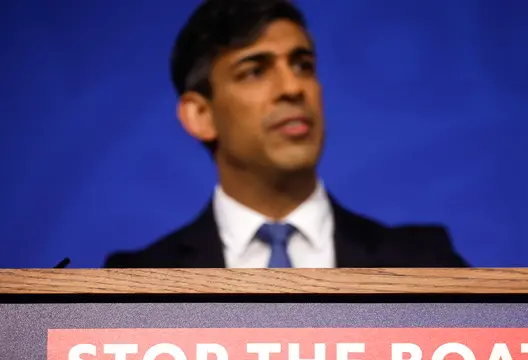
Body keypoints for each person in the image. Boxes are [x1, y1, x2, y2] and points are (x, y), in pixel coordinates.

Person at [103, 0, 469, 268]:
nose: (293, 87)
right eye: (254, 71)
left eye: (303, 65)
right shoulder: (142, 279)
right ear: (200, 115)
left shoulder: (423, 263)